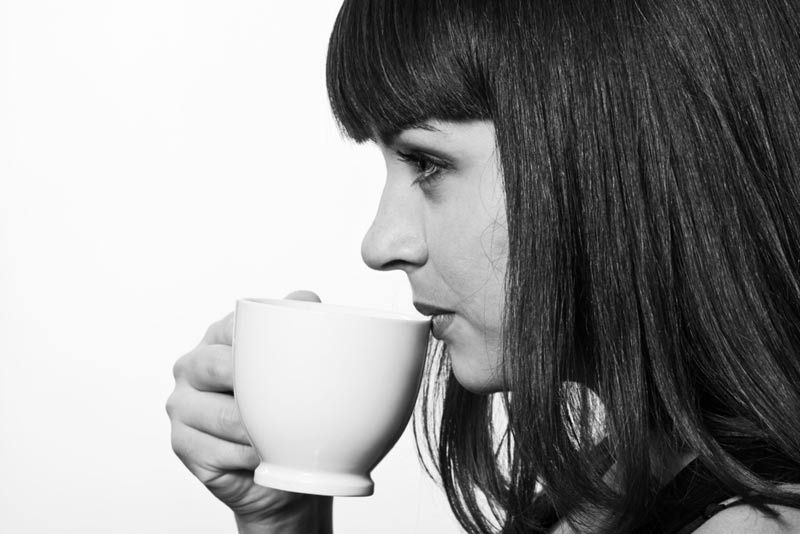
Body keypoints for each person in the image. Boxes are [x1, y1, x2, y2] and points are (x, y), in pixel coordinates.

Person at [165, 0, 800, 532]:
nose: (380, 243)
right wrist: (285, 521)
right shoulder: (620, 485)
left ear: (613, 146)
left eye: (428, 164)